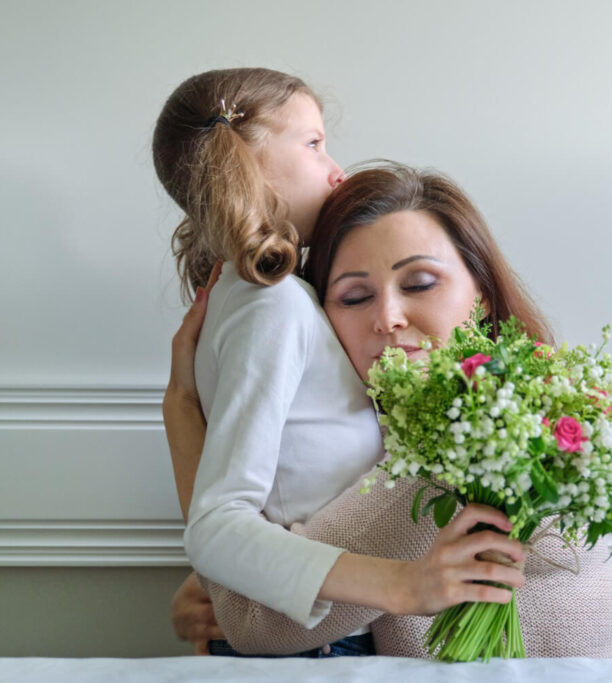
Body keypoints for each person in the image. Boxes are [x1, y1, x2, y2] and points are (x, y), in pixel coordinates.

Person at [166, 163, 612, 658]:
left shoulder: (469, 443)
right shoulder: (387, 429)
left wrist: (183, 410)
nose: (387, 318)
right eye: (355, 296)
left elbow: (250, 620)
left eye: (420, 283)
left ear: (483, 295)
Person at [153, 69, 525, 658]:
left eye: (421, 282)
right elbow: (219, 523)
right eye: (313, 143)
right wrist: (403, 584)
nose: (336, 170)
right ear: (243, 161)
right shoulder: (271, 305)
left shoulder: (268, 300)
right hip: (321, 648)